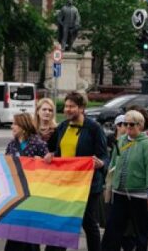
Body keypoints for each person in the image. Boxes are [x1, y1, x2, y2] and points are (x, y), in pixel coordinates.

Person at [44, 92, 108, 251]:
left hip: (88, 185)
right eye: (66, 106)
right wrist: (49, 155)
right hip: (66, 184)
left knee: (88, 222)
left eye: (72, 106)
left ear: (81, 108)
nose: (67, 109)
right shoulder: (63, 126)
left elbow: (104, 155)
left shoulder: (94, 128)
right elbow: (52, 150)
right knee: (63, 221)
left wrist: (101, 163)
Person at [102, 110, 148, 251]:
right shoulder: (121, 140)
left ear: (140, 125)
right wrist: (108, 186)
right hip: (119, 192)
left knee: (140, 231)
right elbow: (113, 164)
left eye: (131, 124)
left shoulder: (147, 144)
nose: (127, 127)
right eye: (125, 124)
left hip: (138, 194)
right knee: (113, 229)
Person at [4, 113, 48, 251]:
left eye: (15, 124)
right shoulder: (12, 144)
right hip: (16, 193)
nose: (12, 126)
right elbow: (6, 164)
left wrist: (40, 163)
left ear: (23, 126)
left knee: (30, 234)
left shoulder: (38, 144)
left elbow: (48, 169)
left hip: (32, 195)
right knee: (15, 231)